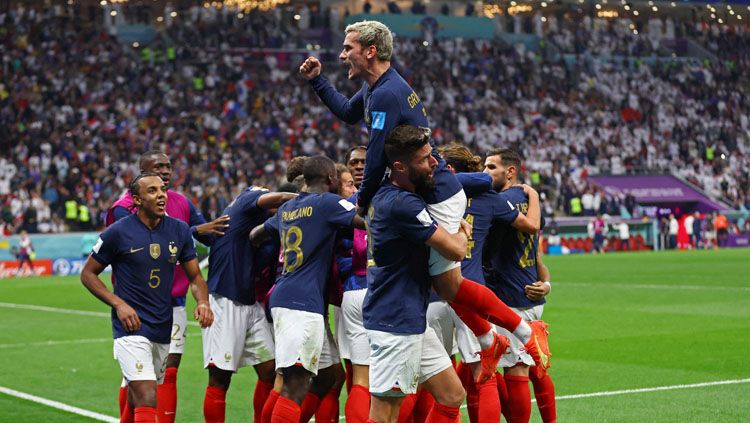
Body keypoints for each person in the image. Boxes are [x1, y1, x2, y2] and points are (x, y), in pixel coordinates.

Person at [301, 21, 546, 383]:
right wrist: (318, 81)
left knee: (450, 284)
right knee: (444, 286)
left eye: (348, 48)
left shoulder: (387, 93)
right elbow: (348, 113)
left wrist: (363, 203)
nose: (341, 54)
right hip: (434, 191)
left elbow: (376, 157)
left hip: (440, 194)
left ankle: (524, 333)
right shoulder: (378, 89)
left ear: (370, 51)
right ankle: (488, 337)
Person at [363, 125, 490, 423]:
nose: (434, 162)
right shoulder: (402, 203)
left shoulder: (388, 192)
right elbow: (456, 251)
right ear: (399, 166)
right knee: (384, 412)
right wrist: (459, 227)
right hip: (394, 319)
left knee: (451, 394)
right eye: (424, 159)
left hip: (410, 316)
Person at [80, 173, 214, 423]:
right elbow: (88, 274)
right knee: (147, 394)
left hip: (162, 326)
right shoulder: (117, 232)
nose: (161, 195)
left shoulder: (179, 230)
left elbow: (195, 276)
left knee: (136, 398)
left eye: (162, 190)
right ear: (137, 199)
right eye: (152, 191)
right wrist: (119, 304)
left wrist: (203, 302)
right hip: (129, 328)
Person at [106, 150, 229, 423]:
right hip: (134, 304)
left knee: (164, 373)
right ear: (142, 172)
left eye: (168, 167)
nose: (165, 171)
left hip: (172, 302)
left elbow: (204, 235)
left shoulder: (181, 202)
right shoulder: (122, 208)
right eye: (157, 167)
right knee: (139, 383)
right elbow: (128, 246)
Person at [249, 156, 365, 422]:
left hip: (286, 295)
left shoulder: (287, 209)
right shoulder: (327, 203)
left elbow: (256, 234)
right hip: (301, 304)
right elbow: (363, 221)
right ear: (330, 179)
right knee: (295, 384)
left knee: (330, 375)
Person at [439, 143, 542, 423]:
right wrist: (534, 197)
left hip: (436, 293)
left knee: (464, 373)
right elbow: (532, 227)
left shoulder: (434, 193)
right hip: (469, 291)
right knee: (482, 375)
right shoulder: (488, 198)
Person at [200, 186, 297, 423]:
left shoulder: (253, 222)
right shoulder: (248, 200)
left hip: (250, 302)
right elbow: (281, 197)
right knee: (220, 378)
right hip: (225, 299)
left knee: (271, 371)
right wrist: (314, 201)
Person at [483, 148, 555, 423]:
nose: (484, 173)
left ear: (510, 171)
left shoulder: (499, 203)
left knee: (514, 370)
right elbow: (536, 253)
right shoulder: (531, 204)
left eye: (491, 167)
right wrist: (547, 284)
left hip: (511, 300)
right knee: (536, 368)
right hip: (534, 298)